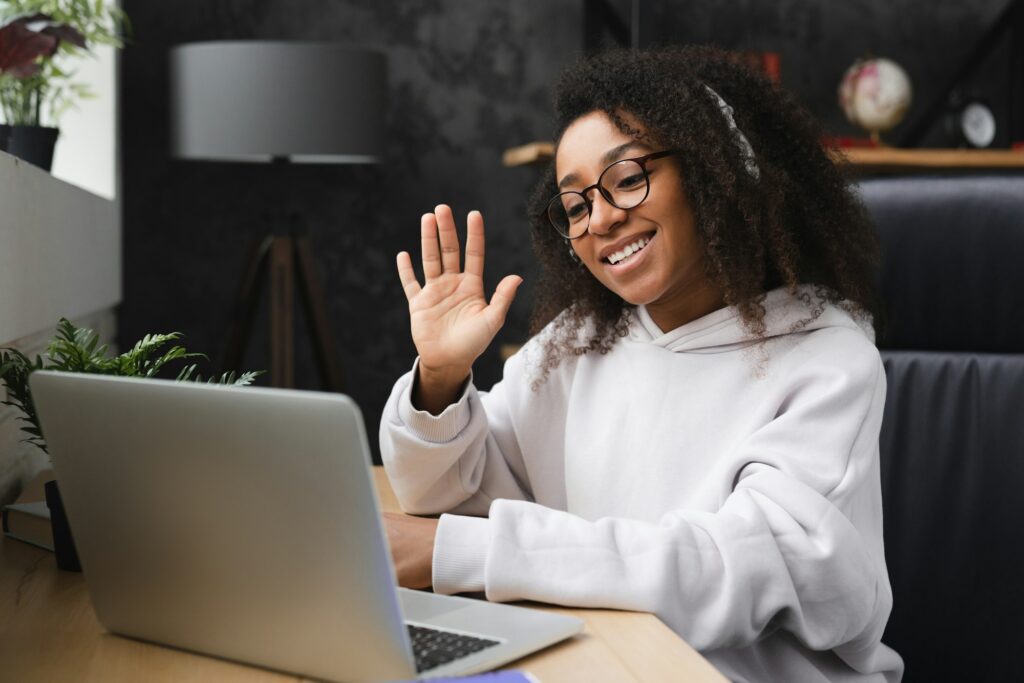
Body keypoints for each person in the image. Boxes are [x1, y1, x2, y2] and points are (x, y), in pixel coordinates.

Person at [379, 45, 904, 682]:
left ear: (714, 175)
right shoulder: (574, 344)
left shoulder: (827, 359)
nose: (600, 217)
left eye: (628, 178)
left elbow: (729, 573)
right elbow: (448, 498)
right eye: (574, 206)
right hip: (597, 661)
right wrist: (439, 379)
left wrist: (457, 552)